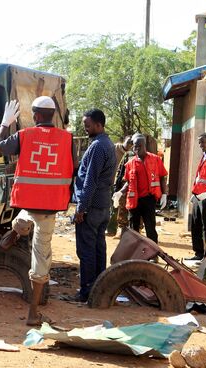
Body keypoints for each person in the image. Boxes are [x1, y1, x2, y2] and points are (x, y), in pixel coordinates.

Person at [0, 96, 76, 326]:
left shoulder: (24, 135)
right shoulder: (67, 139)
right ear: (51, 115)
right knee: (41, 255)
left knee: (27, 215)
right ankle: (32, 313)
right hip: (50, 205)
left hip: (28, 201)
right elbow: (74, 168)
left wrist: (5, 123)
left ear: (36, 115)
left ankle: (15, 231)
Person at [72, 109, 116, 302]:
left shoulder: (98, 146)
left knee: (87, 250)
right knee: (98, 247)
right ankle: (100, 288)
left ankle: (87, 292)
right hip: (102, 206)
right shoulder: (108, 144)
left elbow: (90, 181)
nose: (86, 128)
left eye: (88, 125)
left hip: (92, 207)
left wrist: (81, 208)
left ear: (99, 125)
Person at [117, 134, 168, 244]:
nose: (137, 149)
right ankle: (135, 254)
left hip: (149, 199)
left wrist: (165, 194)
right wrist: (120, 192)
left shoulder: (155, 160)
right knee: (133, 229)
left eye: (139, 146)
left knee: (150, 228)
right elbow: (128, 182)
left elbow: (162, 177)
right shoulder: (130, 163)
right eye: (135, 146)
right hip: (134, 200)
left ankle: (153, 254)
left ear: (145, 145)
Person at [188, 133, 206, 261]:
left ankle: (205, 255)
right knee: (195, 224)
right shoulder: (205, 156)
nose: (200, 145)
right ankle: (198, 253)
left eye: (202, 142)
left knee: (205, 226)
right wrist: (194, 194)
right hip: (198, 195)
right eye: (199, 143)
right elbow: (200, 178)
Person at [112, 132, 142, 238]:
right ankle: (122, 229)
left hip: (137, 185)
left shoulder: (141, 153)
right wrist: (117, 184)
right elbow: (121, 170)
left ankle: (137, 230)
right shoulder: (127, 154)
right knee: (122, 207)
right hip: (125, 183)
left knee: (137, 208)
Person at [106, 136, 132, 236]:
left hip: (127, 184)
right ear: (124, 141)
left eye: (131, 142)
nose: (130, 144)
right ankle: (111, 230)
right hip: (115, 183)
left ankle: (126, 231)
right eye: (128, 142)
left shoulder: (133, 153)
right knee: (114, 206)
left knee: (126, 208)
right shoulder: (115, 149)